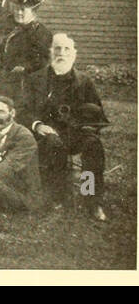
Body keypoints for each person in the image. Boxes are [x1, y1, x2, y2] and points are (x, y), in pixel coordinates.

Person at [20, 33, 108, 220]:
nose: (62, 53)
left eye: (66, 49)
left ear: (74, 53)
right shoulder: (35, 79)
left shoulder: (84, 81)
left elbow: (96, 113)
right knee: (54, 146)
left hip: (76, 132)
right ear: (51, 52)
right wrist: (37, 125)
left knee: (92, 146)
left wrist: (88, 128)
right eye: (57, 48)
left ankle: (90, 198)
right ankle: (58, 197)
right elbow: (23, 110)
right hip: (46, 133)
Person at [0, 0, 51, 104]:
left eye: (23, 10)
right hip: (5, 79)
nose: (19, 13)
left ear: (33, 12)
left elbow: (43, 60)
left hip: (27, 83)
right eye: (16, 9)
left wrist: (25, 68)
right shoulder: (8, 26)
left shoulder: (41, 32)